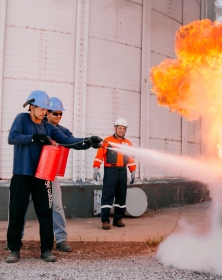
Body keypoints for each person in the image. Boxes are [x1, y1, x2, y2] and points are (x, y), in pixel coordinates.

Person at [5, 90, 102, 263]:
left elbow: (68, 141)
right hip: (21, 174)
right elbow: (12, 138)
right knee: (17, 213)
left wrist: (87, 141)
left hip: (42, 176)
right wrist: (35, 137)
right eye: (42, 109)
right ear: (32, 106)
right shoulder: (21, 119)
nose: (45, 112)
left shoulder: (49, 127)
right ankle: (14, 249)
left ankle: (46, 249)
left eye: (46, 110)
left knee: (45, 213)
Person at [19, 97, 86, 253]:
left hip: (48, 174)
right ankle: (16, 239)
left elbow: (72, 141)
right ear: (46, 112)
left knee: (56, 206)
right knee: (21, 206)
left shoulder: (61, 131)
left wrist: (88, 141)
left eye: (60, 114)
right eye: (55, 113)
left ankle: (61, 239)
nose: (58, 116)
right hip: (28, 173)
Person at [93, 118, 136, 230]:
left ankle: (118, 219)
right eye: (120, 128)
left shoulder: (128, 143)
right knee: (108, 196)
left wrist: (132, 170)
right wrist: (96, 168)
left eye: (124, 128)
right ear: (115, 128)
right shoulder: (107, 141)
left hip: (122, 171)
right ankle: (105, 220)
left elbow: (131, 159)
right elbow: (99, 155)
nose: (121, 130)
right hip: (110, 171)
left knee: (121, 196)